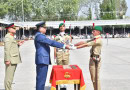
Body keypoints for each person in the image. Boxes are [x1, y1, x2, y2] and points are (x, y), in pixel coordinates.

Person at [34, 21, 70, 90]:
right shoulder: (39, 36)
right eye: (44, 28)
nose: (45, 29)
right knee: (41, 80)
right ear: (40, 28)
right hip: (42, 60)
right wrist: (64, 46)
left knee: (42, 80)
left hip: (43, 59)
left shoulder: (40, 35)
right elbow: (51, 42)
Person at [4, 23, 24, 90]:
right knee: (8, 77)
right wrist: (7, 59)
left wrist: (18, 44)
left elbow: (12, 47)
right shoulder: (8, 37)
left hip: (13, 59)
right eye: (14, 28)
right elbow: (7, 49)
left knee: (11, 77)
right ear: (9, 29)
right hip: (10, 60)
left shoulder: (11, 36)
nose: (15, 29)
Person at [54, 23, 72, 90]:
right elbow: (55, 47)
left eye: (63, 26)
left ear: (65, 28)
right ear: (59, 28)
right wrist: (55, 57)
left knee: (66, 69)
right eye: (61, 26)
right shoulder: (56, 37)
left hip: (66, 55)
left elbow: (69, 45)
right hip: (59, 54)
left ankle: (65, 84)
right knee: (59, 70)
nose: (62, 27)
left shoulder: (68, 36)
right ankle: (61, 84)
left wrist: (68, 52)